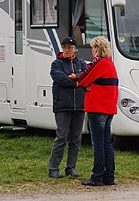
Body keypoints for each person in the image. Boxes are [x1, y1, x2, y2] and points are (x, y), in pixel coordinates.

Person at [79, 36, 119, 186]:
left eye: (92, 48)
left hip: (97, 106)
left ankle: (97, 176)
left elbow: (84, 78)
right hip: (109, 107)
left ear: (96, 48)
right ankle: (109, 176)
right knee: (106, 142)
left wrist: (84, 84)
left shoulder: (98, 62)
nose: (92, 51)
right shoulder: (110, 63)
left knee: (98, 144)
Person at [48, 37, 86, 178]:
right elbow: (60, 78)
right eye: (64, 47)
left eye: (69, 47)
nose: (67, 50)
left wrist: (75, 76)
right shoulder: (56, 64)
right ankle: (53, 168)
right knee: (62, 137)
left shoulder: (81, 63)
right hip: (63, 105)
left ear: (75, 48)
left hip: (79, 106)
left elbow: (86, 75)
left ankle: (71, 168)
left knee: (76, 138)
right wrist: (76, 83)